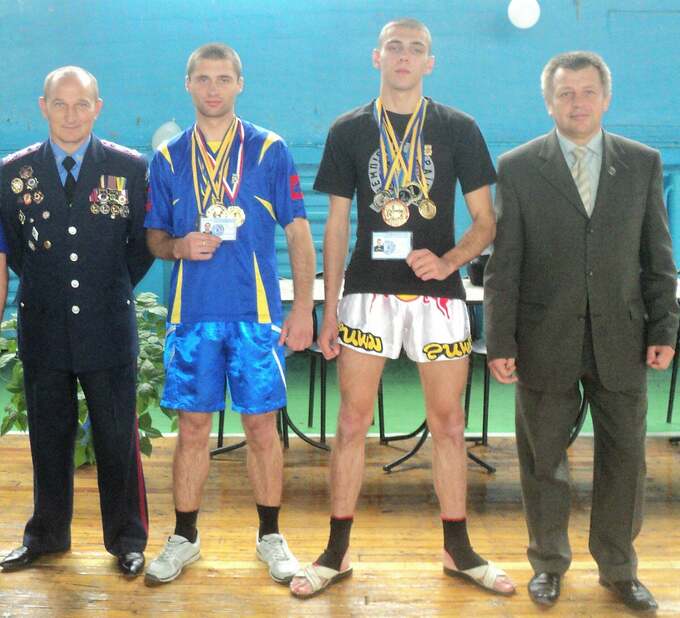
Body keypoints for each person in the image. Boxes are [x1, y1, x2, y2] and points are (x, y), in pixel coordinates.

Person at [290, 19, 515, 597]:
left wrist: (449, 261)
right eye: (395, 47)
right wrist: (330, 309)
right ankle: (336, 552)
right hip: (367, 293)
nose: (405, 56)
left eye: (416, 49)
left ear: (430, 63)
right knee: (351, 421)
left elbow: (485, 222)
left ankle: (458, 549)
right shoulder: (348, 129)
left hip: (438, 295)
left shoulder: (459, 128)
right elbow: (336, 224)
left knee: (449, 423)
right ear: (377, 57)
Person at [484, 51, 678, 612]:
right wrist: (500, 341)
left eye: (588, 91)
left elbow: (658, 256)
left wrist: (665, 327)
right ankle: (548, 564)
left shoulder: (642, 163)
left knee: (626, 460)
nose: (578, 102)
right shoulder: (518, 167)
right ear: (549, 102)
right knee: (543, 460)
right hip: (543, 339)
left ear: (606, 98)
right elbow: (505, 264)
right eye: (566, 93)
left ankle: (619, 569)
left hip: (624, 338)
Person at [144, 43, 315, 585]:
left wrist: (304, 307)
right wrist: (177, 246)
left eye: (223, 78)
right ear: (188, 84)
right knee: (192, 427)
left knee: (262, 426)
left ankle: (271, 536)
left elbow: (298, 231)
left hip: (254, 314)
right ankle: (184, 538)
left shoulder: (270, 149)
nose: (213, 88)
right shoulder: (167, 157)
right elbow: (153, 236)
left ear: (240, 83)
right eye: (203, 78)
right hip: (192, 315)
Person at [0, 66, 153, 576]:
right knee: (48, 437)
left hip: (107, 325)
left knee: (116, 437)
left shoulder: (129, 168)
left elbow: (141, 246)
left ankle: (127, 540)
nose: (71, 115)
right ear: (43, 107)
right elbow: (16, 249)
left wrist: (104, 287)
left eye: (81, 103)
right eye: (60, 104)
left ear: (98, 107)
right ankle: (45, 536)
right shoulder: (13, 172)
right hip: (43, 325)